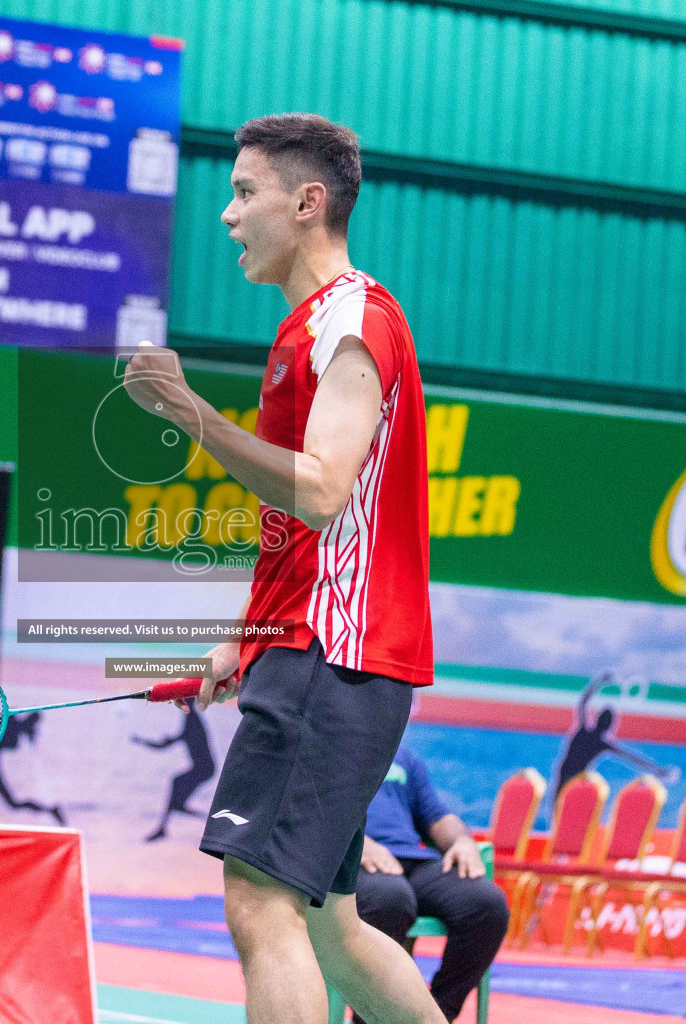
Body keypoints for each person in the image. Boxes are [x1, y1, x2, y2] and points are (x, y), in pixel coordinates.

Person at [122, 114, 442, 1023]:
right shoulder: (311, 326)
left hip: (332, 662)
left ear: (306, 203)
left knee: (261, 905)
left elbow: (323, 491)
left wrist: (190, 414)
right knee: (332, 926)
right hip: (320, 654)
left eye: (243, 192)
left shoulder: (352, 320)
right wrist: (245, 637)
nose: (227, 215)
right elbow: (299, 535)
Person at [355, 741, 510, 1023]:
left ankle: (436, 1015)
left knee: (487, 904)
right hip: (353, 859)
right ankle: (371, 1018)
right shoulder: (321, 742)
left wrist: (461, 840)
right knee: (391, 900)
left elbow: (437, 816)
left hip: (413, 859)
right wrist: (355, 842)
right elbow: (308, 810)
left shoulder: (402, 756)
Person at [553, 669, 679, 811]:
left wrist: (600, 681)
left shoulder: (584, 731)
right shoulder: (601, 744)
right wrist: (659, 771)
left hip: (564, 776)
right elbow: (633, 758)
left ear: (597, 719)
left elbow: (584, 701)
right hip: (576, 783)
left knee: (559, 816)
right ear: (609, 726)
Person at [134, 697, 216, 842]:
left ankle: (164, 827)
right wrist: (144, 741)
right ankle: (165, 826)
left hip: (205, 768)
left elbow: (173, 742)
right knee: (177, 792)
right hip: (203, 768)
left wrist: (166, 740)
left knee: (177, 787)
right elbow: (172, 741)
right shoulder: (190, 719)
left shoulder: (193, 719)